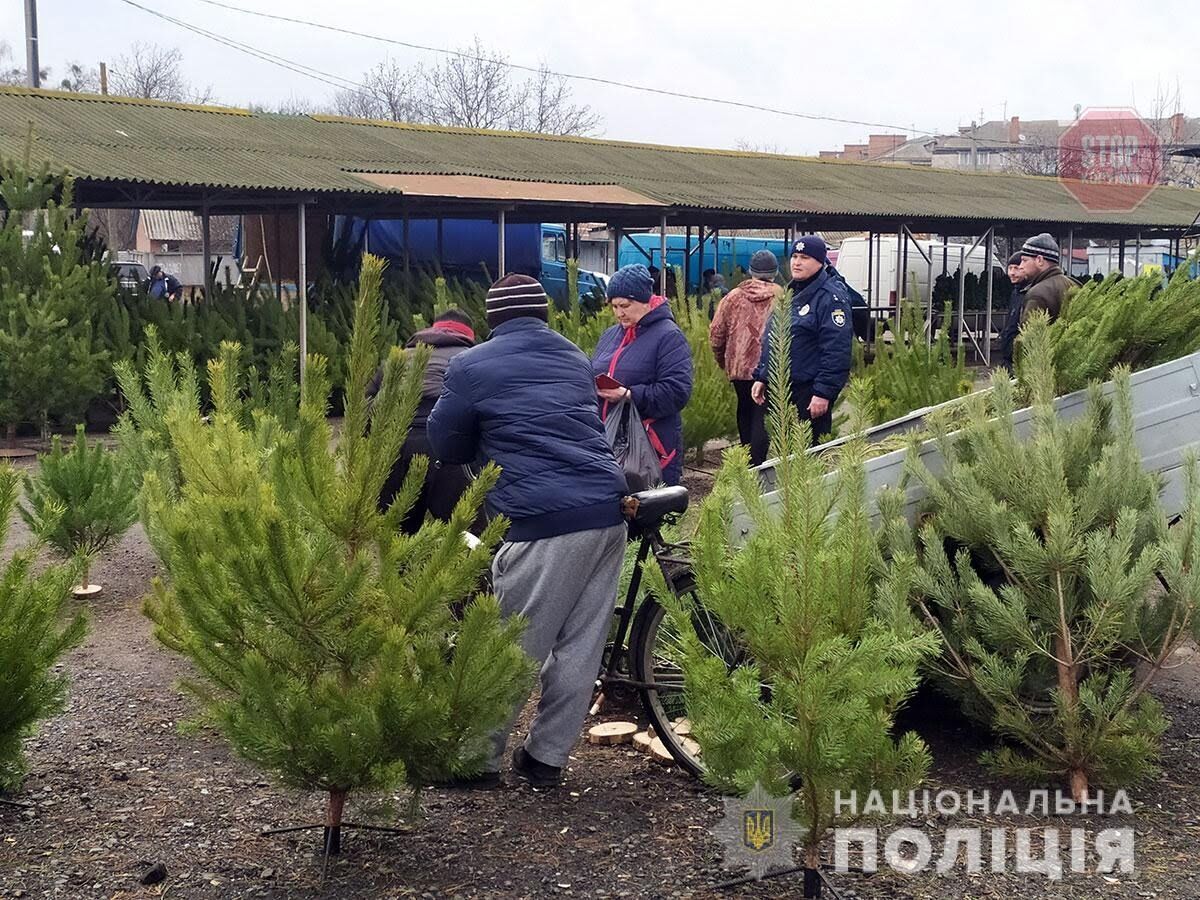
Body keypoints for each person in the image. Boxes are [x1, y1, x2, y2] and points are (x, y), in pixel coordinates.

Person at [426, 274, 628, 789]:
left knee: (512, 645)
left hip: (542, 520)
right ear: (543, 314)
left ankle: (476, 760)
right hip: (607, 512)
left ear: (493, 318)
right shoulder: (574, 356)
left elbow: (445, 442)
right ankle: (546, 758)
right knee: (581, 645)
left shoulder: (469, 365)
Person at [368, 308, 478, 533]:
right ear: (469, 336)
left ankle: (402, 568)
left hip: (395, 445)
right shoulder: (473, 359)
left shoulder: (397, 357)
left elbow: (364, 407)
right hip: (446, 447)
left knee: (397, 534)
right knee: (464, 533)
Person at [749, 236, 852, 463]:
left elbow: (836, 350)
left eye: (804, 258)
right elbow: (775, 337)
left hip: (809, 391)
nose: (797, 262)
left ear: (820, 261)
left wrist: (823, 393)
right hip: (779, 387)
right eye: (794, 256)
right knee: (759, 446)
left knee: (808, 457)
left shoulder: (830, 298)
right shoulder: (792, 293)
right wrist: (762, 375)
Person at [591, 264, 693, 486]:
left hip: (650, 447)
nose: (619, 313)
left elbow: (677, 392)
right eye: (614, 306)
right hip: (608, 442)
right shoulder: (610, 336)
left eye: (625, 305)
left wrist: (629, 395)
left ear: (645, 301)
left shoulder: (669, 336)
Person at [709, 250, 780, 455]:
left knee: (745, 409)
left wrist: (723, 360)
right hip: (772, 367)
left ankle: (747, 457)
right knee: (762, 414)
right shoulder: (783, 296)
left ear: (751, 271)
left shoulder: (733, 297)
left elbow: (717, 332)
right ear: (775, 272)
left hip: (739, 366)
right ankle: (758, 462)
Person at [1016, 233, 1076, 325]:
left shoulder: (1037, 294)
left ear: (1039, 260)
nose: (1020, 266)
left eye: (1024, 260)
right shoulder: (1074, 284)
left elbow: (1029, 336)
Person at [996, 252, 1027, 372]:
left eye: (1017, 268)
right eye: (1010, 268)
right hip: (1008, 358)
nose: (1012, 273)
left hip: (1018, 358)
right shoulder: (1015, 292)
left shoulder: (1028, 293)